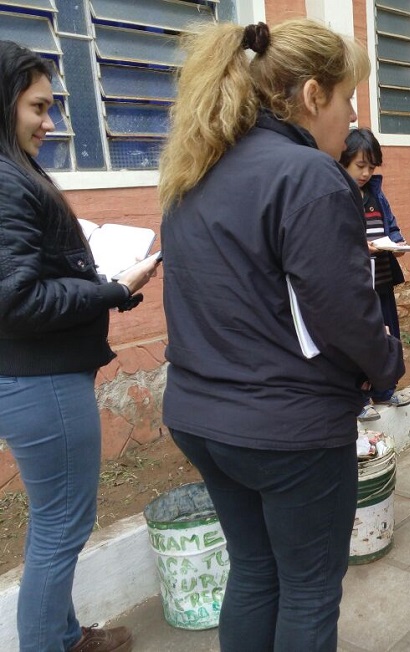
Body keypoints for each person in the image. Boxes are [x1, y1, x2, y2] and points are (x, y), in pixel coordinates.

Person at [157, 19, 404, 652]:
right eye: (349, 98)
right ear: (314, 94)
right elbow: (345, 313)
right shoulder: (308, 175)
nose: (352, 118)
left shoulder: (194, 170)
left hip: (201, 415)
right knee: (309, 587)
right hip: (286, 430)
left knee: (256, 569)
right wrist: (386, 364)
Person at [0, 40, 159, 652]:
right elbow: (15, 302)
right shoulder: (8, 181)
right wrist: (112, 288)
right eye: (38, 108)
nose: (49, 123)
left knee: (54, 522)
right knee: (60, 528)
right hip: (40, 380)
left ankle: (66, 636)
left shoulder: (14, 171)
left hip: (36, 377)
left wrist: (96, 282)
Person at [339, 127, 410, 422]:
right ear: (343, 161)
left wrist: (397, 244)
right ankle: (358, 398)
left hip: (381, 281)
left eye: (371, 167)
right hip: (356, 288)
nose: (367, 173)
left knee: (388, 337)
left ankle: (384, 390)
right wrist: (361, 247)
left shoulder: (375, 195)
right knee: (361, 340)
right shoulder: (338, 195)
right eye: (360, 166)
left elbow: (391, 227)